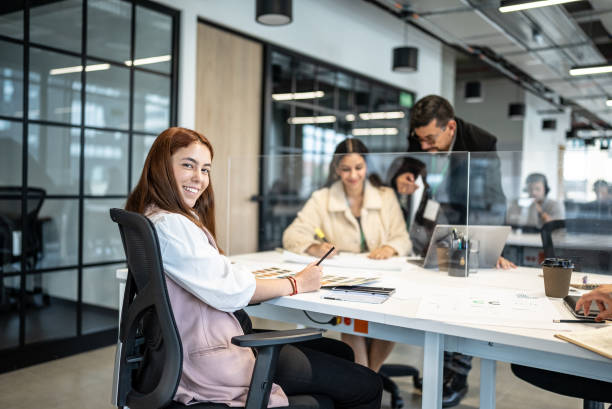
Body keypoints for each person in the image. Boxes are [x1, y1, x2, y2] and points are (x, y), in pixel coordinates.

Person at [125, 127, 382, 409]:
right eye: (188, 165)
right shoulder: (171, 225)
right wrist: (296, 283)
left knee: (339, 350)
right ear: (162, 167)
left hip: (198, 348)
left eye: (206, 169)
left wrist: (241, 276)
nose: (199, 178)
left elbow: (213, 277)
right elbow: (229, 291)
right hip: (215, 358)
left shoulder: (154, 217)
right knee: (367, 385)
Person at [391, 95, 515, 408]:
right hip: (429, 221)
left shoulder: (482, 144)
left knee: (461, 298)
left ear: (451, 126)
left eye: (431, 139)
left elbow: (491, 200)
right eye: (419, 139)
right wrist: (402, 176)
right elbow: (407, 161)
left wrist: (487, 245)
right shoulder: (421, 134)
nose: (424, 146)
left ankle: (455, 373)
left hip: (463, 221)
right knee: (432, 300)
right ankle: (437, 368)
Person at [283, 138, 410, 376]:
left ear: (367, 166)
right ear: (336, 169)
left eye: (359, 168)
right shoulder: (322, 198)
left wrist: (391, 248)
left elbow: (402, 238)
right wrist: (314, 246)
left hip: (383, 277)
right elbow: (292, 234)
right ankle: (369, 380)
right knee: (353, 314)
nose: (353, 175)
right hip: (347, 282)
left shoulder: (386, 196)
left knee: (390, 317)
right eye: (346, 169)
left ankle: (368, 378)